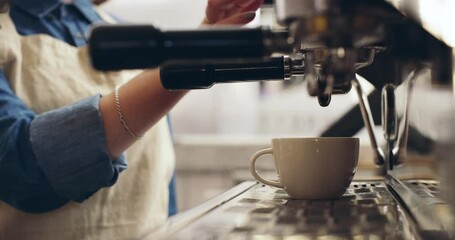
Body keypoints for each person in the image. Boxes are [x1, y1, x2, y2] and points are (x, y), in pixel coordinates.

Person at [0, 0, 263, 239]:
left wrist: (204, 38)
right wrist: (189, 61)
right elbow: (22, 167)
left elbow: (159, 179)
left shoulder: (127, 32)